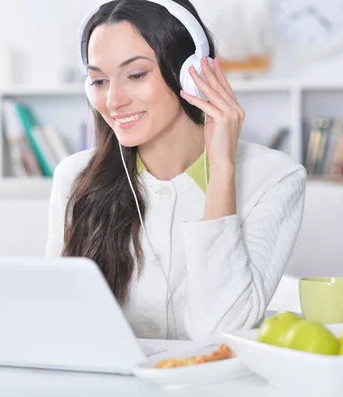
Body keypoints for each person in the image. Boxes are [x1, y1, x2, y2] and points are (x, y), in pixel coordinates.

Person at [45, 0, 307, 341]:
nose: (112, 101)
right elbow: (56, 317)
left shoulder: (274, 178)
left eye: (136, 75)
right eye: (98, 81)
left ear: (191, 73)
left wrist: (222, 168)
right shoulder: (75, 176)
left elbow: (220, 333)